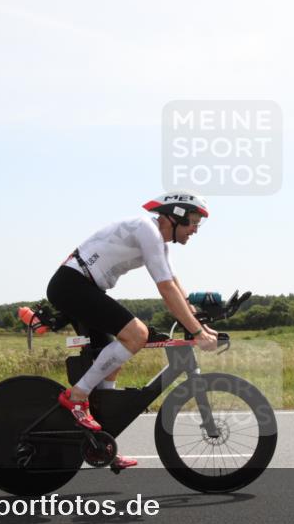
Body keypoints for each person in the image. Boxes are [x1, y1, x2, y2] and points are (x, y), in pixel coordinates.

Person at [45, 193, 220, 469]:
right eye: (193, 222)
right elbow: (164, 289)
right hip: (73, 285)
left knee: (109, 364)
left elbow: (176, 286)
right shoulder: (146, 230)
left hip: (83, 287)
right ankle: (76, 397)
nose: (195, 230)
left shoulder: (158, 242)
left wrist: (201, 325)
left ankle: (102, 443)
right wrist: (197, 333)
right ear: (175, 216)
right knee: (137, 335)